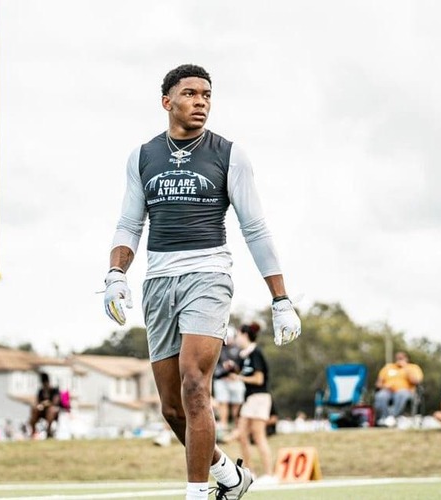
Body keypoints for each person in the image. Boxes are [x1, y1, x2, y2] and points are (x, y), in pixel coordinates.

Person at [103, 63, 301, 500]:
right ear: (167, 102)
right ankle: (229, 474)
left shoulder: (229, 154)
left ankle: (197, 494)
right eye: (191, 94)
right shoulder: (142, 156)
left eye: (207, 95)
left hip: (208, 274)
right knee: (173, 409)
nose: (201, 102)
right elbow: (129, 224)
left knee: (195, 383)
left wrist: (281, 299)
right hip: (159, 280)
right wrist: (116, 273)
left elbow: (255, 228)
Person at [228, 323, 276, 483]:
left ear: (245, 335)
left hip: (260, 397)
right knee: (242, 435)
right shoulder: (243, 355)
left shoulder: (256, 353)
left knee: (258, 435)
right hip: (249, 399)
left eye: (238, 335)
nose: (236, 338)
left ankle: (269, 474)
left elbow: (259, 379)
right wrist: (232, 369)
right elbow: (240, 371)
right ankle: (250, 472)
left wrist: (239, 377)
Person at [374, 351, 424, 427]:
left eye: (401, 358)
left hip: (406, 391)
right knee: (381, 395)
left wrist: (406, 368)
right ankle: (384, 417)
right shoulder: (388, 367)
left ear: (406, 358)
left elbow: (416, 381)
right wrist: (384, 386)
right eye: (398, 358)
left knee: (401, 394)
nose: (399, 360)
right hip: (388, 391)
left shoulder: (413, 367)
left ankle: (393, 417)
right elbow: (378, 383)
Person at [213, 327, 245, 443]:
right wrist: (223, 371)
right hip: (222, 380)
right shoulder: (218, 348)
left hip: (236, 380)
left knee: (237, 405)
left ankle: (238, 430)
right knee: (223, 403)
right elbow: (215, 366)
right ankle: (224, 428)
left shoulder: (239, 349)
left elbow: (242, 366)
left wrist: (235, 369)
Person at [29, 372, 60, 438]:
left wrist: (44, 404)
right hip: (42, 410)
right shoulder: (41, 391)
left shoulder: (54, 390)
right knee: (34, 409)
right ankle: (33, 432)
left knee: (51, 410)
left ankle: (48, 431)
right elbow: (37, 402)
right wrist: (39, 406)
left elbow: (55, 402)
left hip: (53, 410)